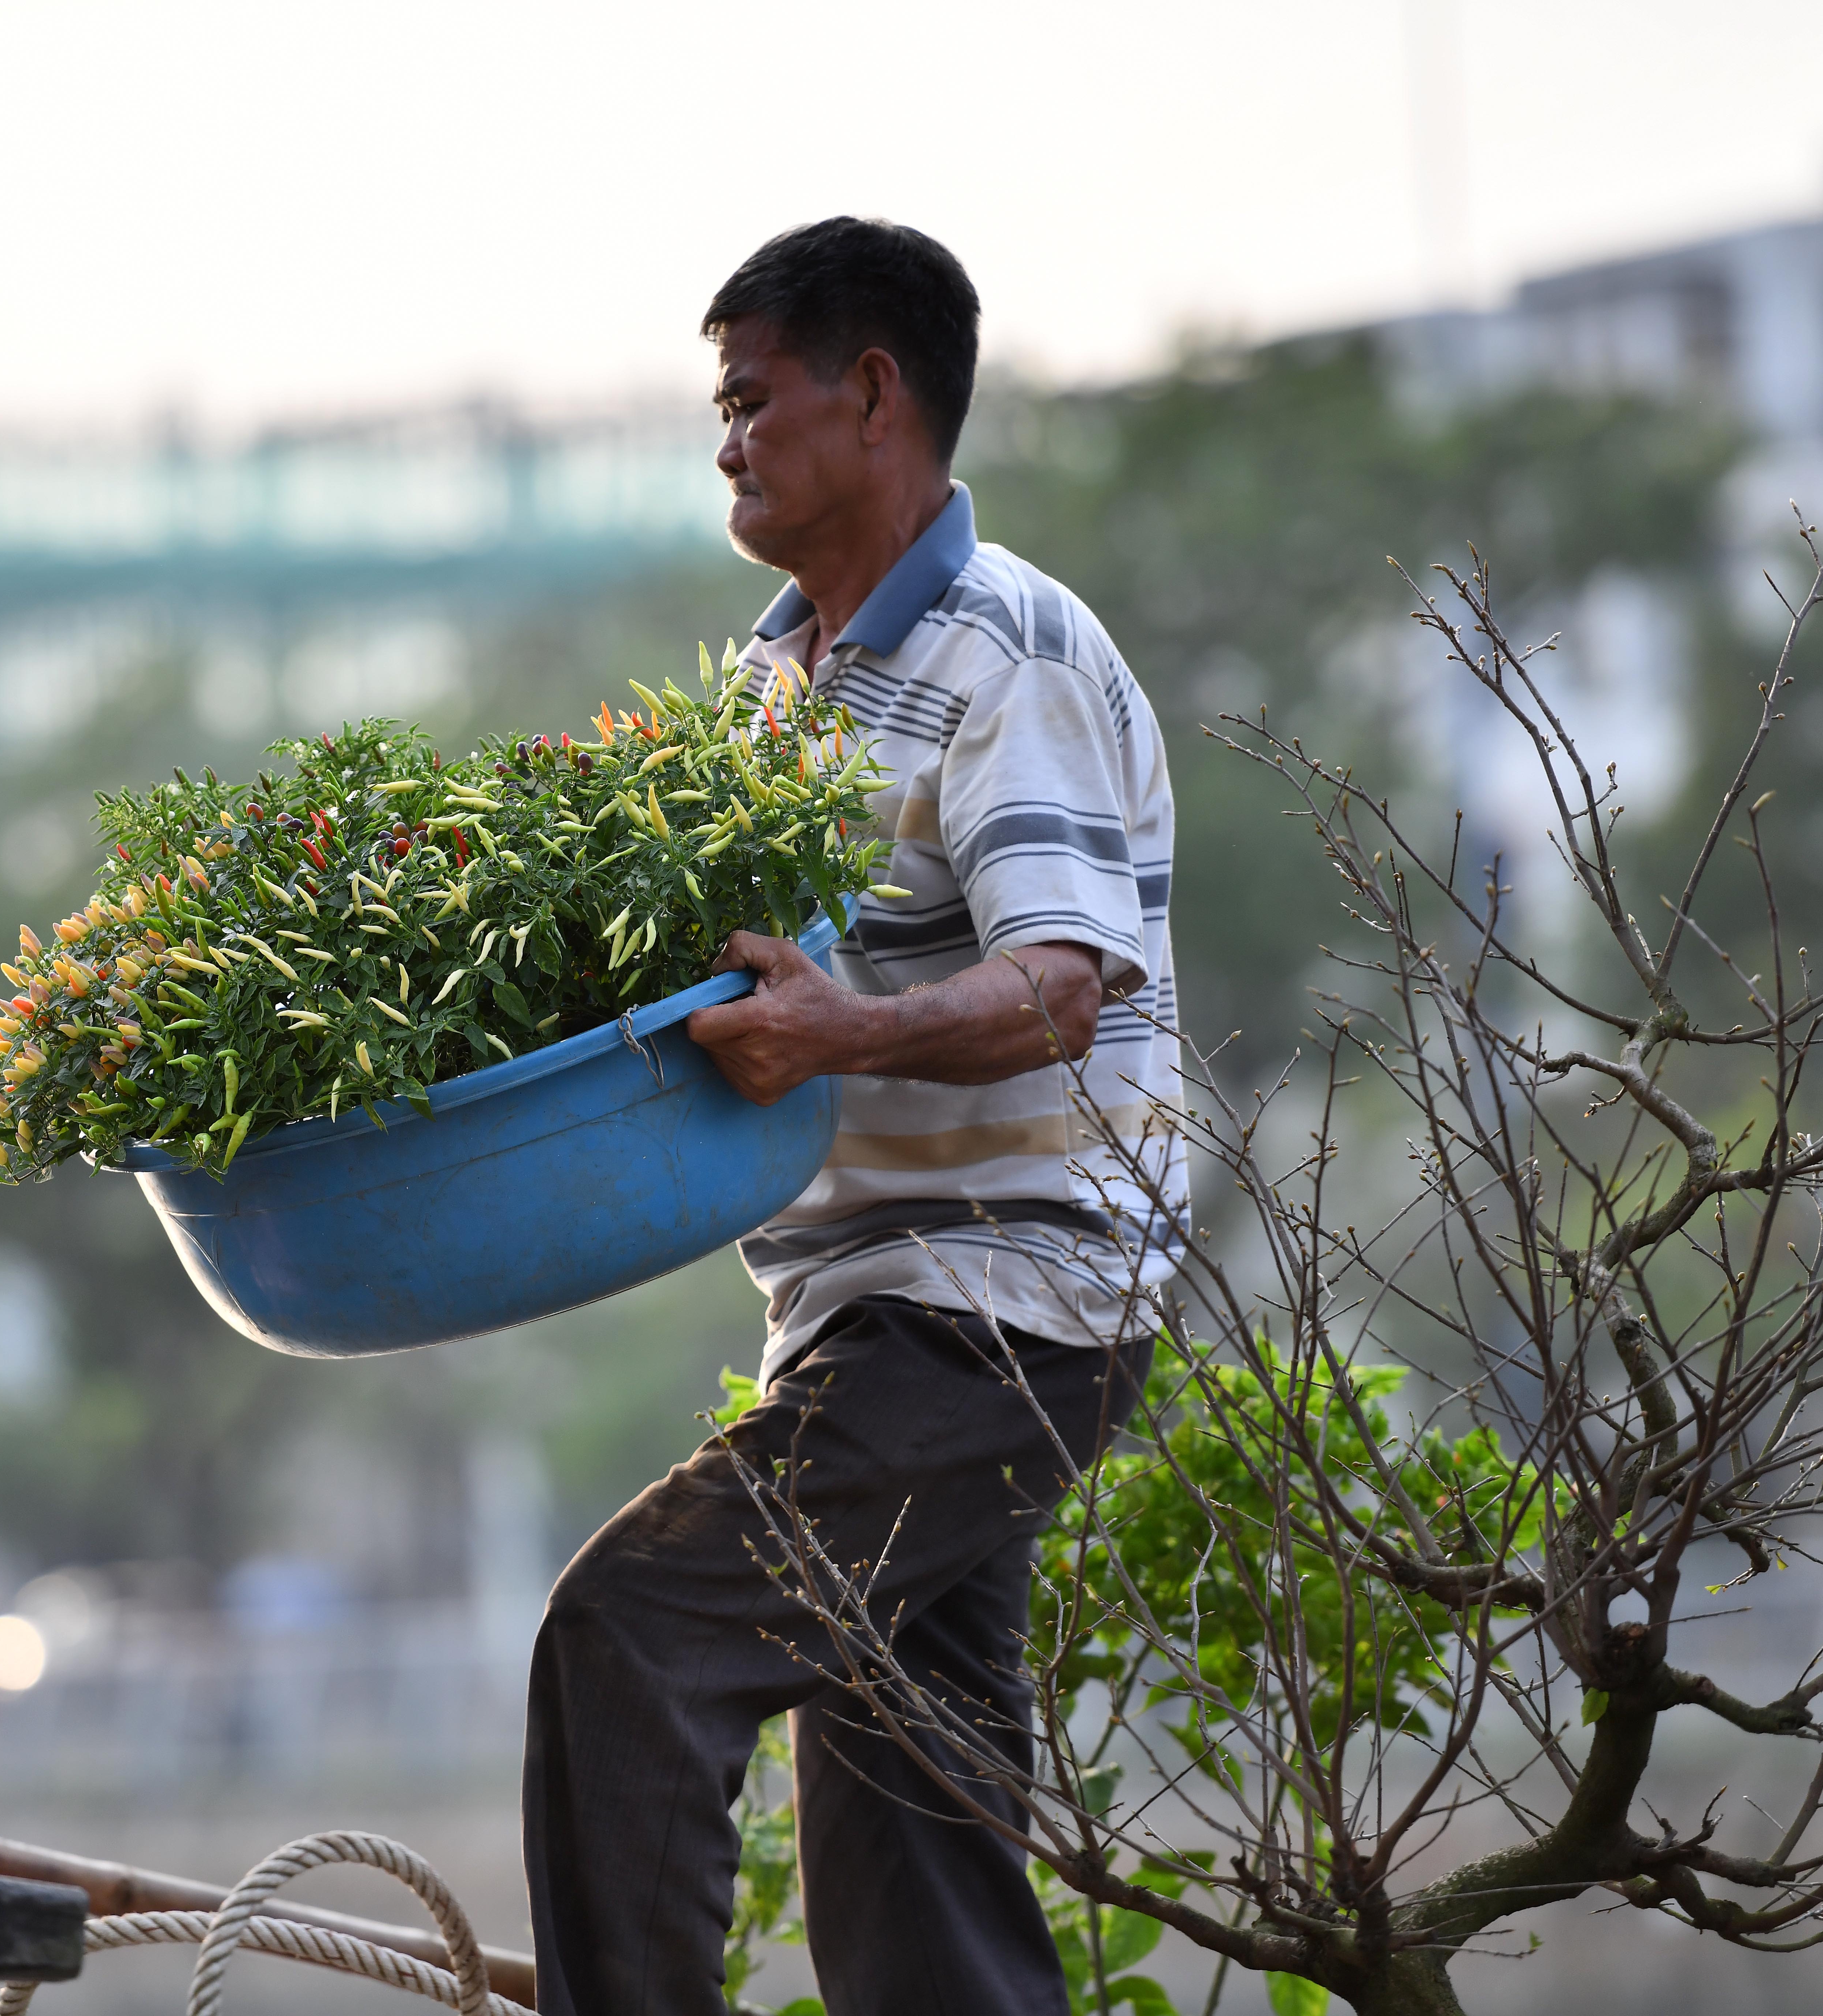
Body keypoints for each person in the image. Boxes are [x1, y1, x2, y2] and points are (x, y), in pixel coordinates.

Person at [520, 218, 1187, 2016]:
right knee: (907, 1833)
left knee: (629, 1638)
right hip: (867, 1314)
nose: (722, 441)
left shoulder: (1007, 654)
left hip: (1006, 1306)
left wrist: (838, 1031)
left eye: (748, 399)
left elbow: (1062, 981)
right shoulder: (771, 682)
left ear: (871, 392)